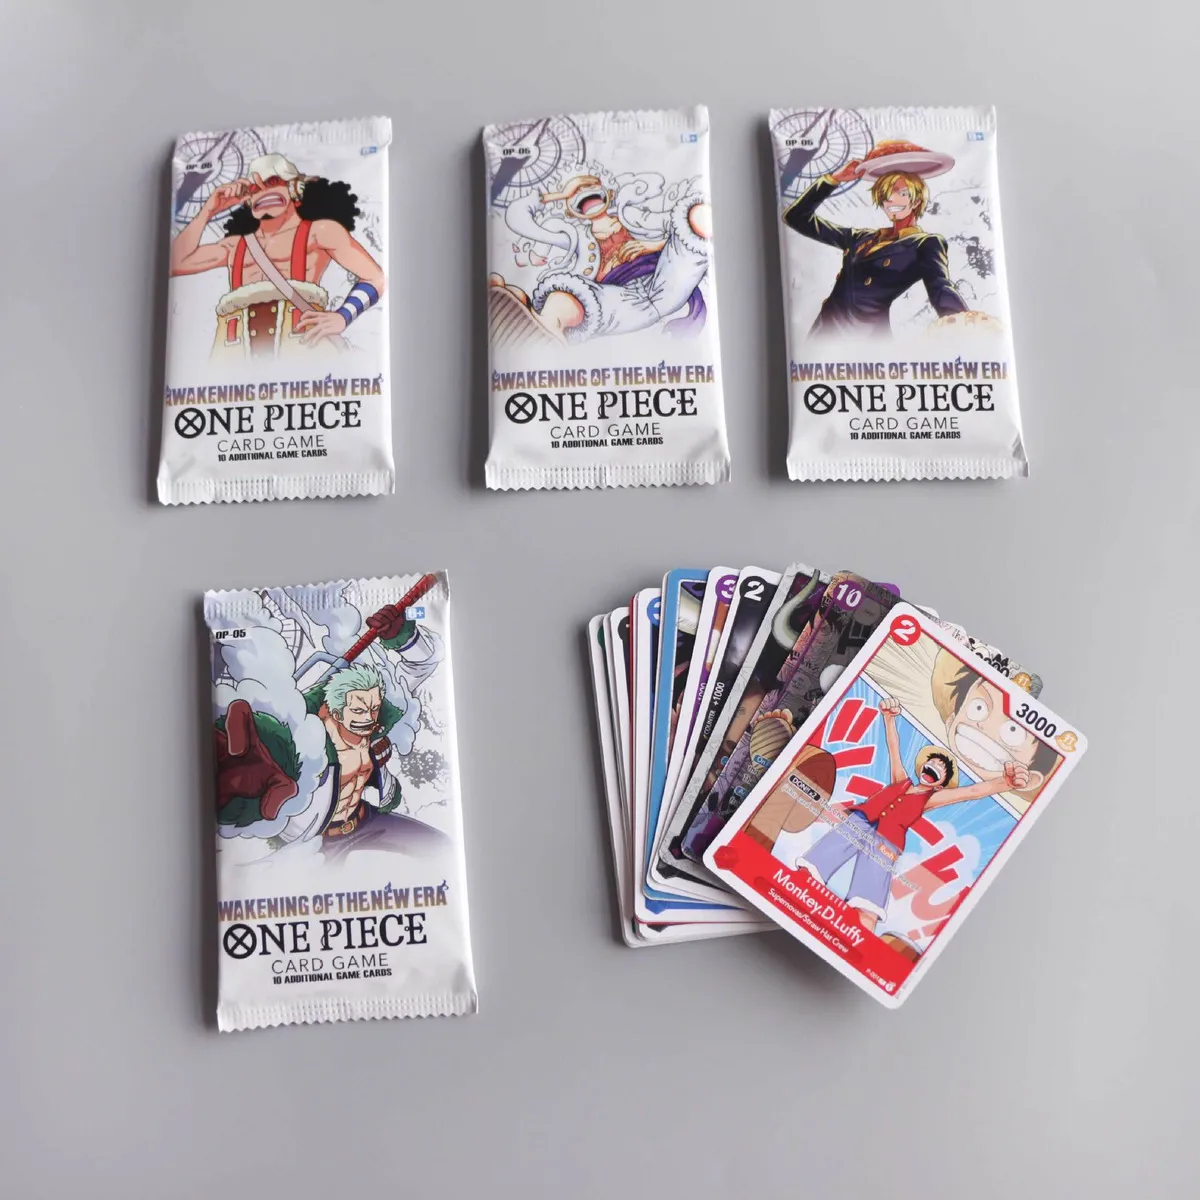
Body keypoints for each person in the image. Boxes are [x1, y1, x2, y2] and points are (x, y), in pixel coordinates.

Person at [798, 696, 1028, 931]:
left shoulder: (931, 798)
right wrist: (889, 718)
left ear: (940, 784)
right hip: (862, 820)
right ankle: (797, 891)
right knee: (817, 862)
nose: (935, 767)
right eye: (933, 763)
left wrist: (1005, 783)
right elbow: (894, 748)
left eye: (941, 769)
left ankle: (858, 936)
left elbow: (971, 792)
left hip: (886, 842)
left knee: (868, 901)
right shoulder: (901, 780)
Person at [170, 152, 385, 358]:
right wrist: (209, 210)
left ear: (294, 189)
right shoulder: (234, 246)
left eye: (272, 182)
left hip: (301, 350)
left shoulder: (320, 232)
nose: (263, 192)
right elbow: (177, 262)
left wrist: (343, 316)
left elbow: (374, 277)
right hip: (233, 354)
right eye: (254, 188)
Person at [489, 173, 710, 344]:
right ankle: (544, 328)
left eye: (590, 186)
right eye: (576, 192)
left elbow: (673, 226)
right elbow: (518, 219)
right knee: (566, 298)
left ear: (609, 194)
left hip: (662, 279)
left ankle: (525, 310)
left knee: (693, 228)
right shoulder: (576, 237)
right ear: (570, 211)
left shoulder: (631, 216)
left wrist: (652, 245)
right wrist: (557, 195)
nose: (584, 192)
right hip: (618, 298)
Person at [784, 140, 967, 338]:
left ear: (916, 200)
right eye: (886, 195)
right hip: (823, 334)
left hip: (866, 340)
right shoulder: (858, 238)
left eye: (901, 193)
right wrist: (833, 179)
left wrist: (964, 325)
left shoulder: (924, 244)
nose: (892, 200)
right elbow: (795, 217)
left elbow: (940, 287)